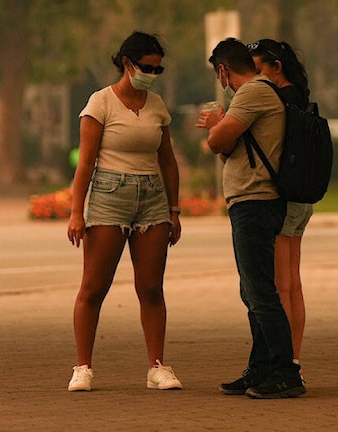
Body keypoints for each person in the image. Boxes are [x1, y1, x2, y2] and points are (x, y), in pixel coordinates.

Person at [65, 31, 183, 392]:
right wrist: (76, 212)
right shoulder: (100, 103)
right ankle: (83, 366)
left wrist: (174, 210)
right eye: (147, 67)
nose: (152, 74)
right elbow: (85, 163)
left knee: (150, 287)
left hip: (152, 198)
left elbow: (168, 161)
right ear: (127, 64)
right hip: (109, 195)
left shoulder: (157, 106)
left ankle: (157, 367)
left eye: (158, 69)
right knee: (94, 287)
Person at [196, 37, 305, 399]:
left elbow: (216, 142)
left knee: (261, 292)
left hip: (256, 202)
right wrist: (222, 132)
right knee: (252, 290)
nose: (220, 82)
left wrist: (218, 123)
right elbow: (230, 148)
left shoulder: (253, 93)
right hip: (248, 200)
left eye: (219, 75)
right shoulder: (255, 95)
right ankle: (259, 369)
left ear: (224, 70)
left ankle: (285, 372)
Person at [247, 38, 313, 378]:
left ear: (277, 68)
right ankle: (295, 359)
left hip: (283, 197)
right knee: (293, 283)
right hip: (303, 196)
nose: (256, 79)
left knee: (280, 284)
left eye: (259, 70)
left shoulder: (277, 100)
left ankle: (284, 365)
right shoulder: (301, 97)